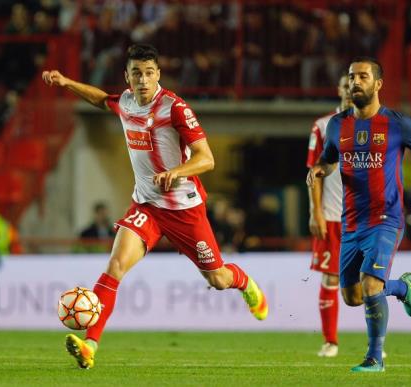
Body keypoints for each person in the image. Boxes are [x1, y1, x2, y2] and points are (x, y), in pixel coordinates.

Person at [42, 44, 268, 369]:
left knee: (218, 278)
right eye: (137, 73)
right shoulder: (126, 102)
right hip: (146, 206)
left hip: (184, 210)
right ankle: (90, 345)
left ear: (158, 74)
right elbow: (101, 99)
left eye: (149, 73)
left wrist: (177, 171)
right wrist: (66, 83)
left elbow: (207, 158)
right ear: (127, 76)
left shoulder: (175, 108)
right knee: (115, 266)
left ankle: (247, 284)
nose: (143, 80)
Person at [307, 57, 411, 372]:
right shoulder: (338, 125)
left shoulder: (397, 123)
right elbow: (328, 160)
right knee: (353, 297)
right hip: (351, 223)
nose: (356, 82)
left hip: (386, 219)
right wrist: (319, 170)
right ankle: (402, 288)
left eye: (363, 77)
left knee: (369, 286)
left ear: (378, 84)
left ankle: (375, 358)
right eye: (352, 77)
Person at [306, 74, 351, 357]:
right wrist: (316, 211)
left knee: (367, 282)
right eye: (346, 84)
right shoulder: (323, 126)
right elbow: (314, 172)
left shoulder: (372, 126)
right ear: (339, 89)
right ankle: (330, 341)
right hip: (333, 216)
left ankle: (376, 345)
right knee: (331, 280)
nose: (350, 89)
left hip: (364, 217)